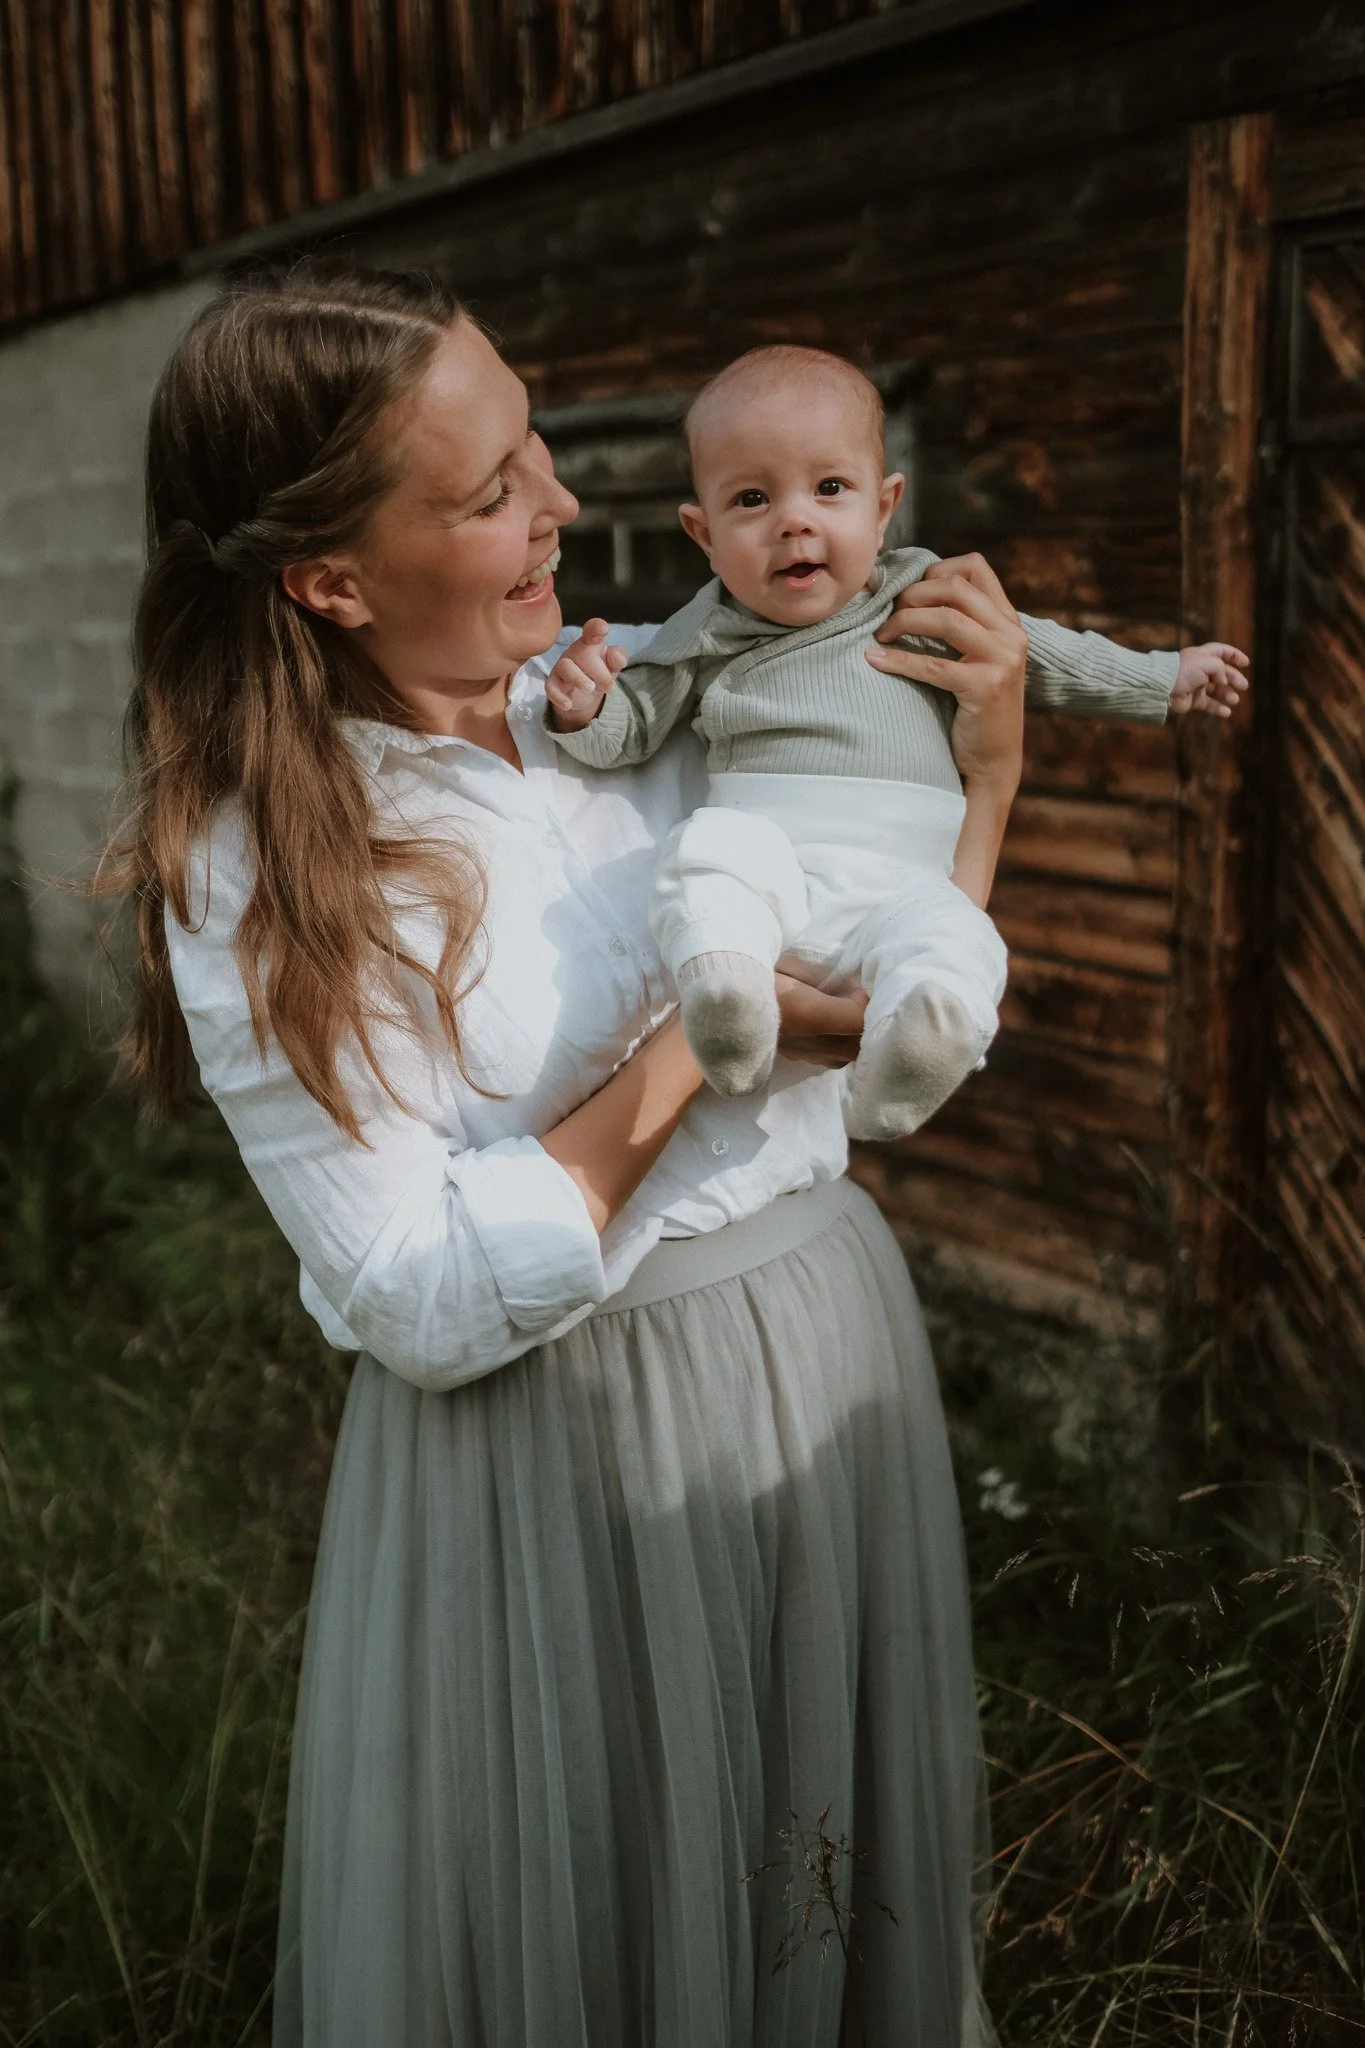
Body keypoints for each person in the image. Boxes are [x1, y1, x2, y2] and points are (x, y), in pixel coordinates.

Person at [105, 260, 1233, 2048]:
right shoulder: (261, 864)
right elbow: (409, 1292)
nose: (565, 502)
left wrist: (993, 785)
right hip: (563, 1456)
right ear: (331, 576)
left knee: (817, 1904)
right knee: (623, 1931)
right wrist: (685, 1070)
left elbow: (858, 1035)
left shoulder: (636, 685)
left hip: (815, 1338)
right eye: (490, 495)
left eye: (539, 443)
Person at [544, 344, 1250, 1140]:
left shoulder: (923, 597)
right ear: (701, 532)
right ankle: (727, 993)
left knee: (953, 941)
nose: (794, 519)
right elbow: (631, 724)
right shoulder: (707, 627)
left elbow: (1041, 653)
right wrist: (581, 709)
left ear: (884, 507)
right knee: (709, 853)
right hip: (773, 873)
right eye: (751, 498)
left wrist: (1160, 677)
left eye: (829, 488)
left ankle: (913, 1054)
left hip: (901, 884)